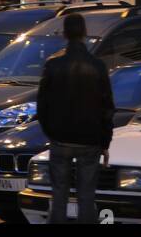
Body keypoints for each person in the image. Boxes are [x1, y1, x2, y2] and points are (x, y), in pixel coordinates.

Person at [37, 13, 114, 225]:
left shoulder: (53, 65)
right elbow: (107, 108)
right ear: (84, 33)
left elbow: (42, 105)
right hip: (89, 140)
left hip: (60, 139)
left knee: (59, 195)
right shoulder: (97, 66)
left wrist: (51, 132)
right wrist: (105, 141)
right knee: (87, 195)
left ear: (64, 34)